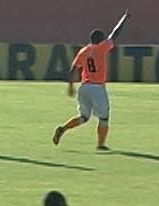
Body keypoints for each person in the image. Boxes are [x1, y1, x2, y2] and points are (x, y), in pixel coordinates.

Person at [52, 11, 130, 151]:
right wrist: (124, 19)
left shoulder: (83, 51)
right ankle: (100, 145)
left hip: (84, 86)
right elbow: (115, 33)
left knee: (83, 116)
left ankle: (63, 128)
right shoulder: (101, 47)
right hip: (97, 87)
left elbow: (72, 70)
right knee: (104, 118)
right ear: (100, 39)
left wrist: (70, 86)